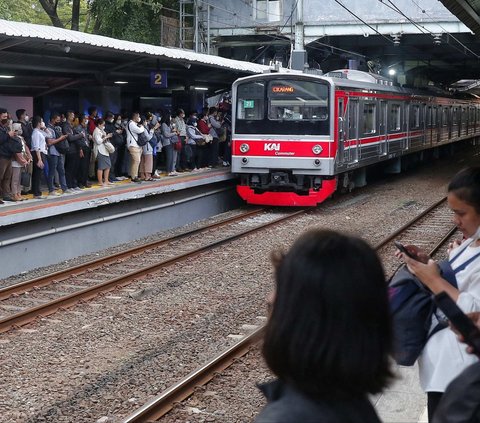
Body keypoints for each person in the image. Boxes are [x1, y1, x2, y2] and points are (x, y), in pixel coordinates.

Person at [255, 229, 393, 423]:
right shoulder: (354, 403)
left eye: (282, 286)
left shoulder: (284, 418)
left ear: (303, 319)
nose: (269, 298)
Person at [396, 166, 480, 421]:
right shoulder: (471, 241)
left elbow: (474, 314)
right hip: (445, 375)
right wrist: (426, 264)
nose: (455, 220)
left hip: (462, 378)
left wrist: (432, 279)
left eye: (461, 213)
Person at [45, 113, 70, 196]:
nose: (58, 122)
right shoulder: (48, 129)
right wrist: (61, 138)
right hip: (52, 152)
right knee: (52, 171)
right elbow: (49, 142)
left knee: (62, 171)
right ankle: (51, 190)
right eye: (57, 120)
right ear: (52, 119)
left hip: (59, 152)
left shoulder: (57, 128)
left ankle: (64, 188)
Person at [10, 122, 32, 201]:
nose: (20, 129)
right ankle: (14, 194)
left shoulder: (21, 138)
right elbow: (16, 152)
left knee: (20, 179)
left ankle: (19, 193)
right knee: (15, 179)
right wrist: (23, 161)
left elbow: (26, 148)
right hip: (16, 161)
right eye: (19, 128)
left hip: (23, 161)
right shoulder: (12, 138)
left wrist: (29, 157)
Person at [30, 116, 48, 199]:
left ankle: (37, 192)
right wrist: (39, 159)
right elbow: (36, 147)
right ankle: (36, 193)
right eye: (41, 121)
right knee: (37, 174)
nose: (42, 123)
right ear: (38, 123)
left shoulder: (39, 131)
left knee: (39, 174)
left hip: (42, 153)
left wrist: (44, 127)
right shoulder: (36, 133)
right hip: (38, 154)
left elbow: (49, 135)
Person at [93, 118, 113, 187]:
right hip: (100, 150)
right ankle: (100, 181)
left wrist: (106, 135)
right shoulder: (96, 131)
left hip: (105, 150)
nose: (104, 126)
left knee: (108, 165)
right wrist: (106, 137)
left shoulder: (102, 130)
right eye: (103, 124)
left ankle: (106, 180)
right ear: (99, 124)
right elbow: (98, 141)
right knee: (101, 167)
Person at [126, 111, 145, 183]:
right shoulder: (131, 124)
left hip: (137, 145)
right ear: (135, 117)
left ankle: (134, 175)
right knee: (137, 160)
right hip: (133, 145)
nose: (139, 118)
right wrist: (142, 126)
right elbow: (139, 130)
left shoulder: (134, 124)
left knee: (135, 161)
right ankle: (134, 176)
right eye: (138, 116)